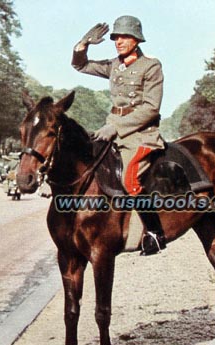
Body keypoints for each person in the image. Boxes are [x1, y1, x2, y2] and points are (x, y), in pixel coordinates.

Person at [72, 16, 166, 255]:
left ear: (136, 39)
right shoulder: (114, 65)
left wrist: (116, 127)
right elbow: (80, 66)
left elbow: (151, 108)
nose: (118, 41)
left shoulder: (151, 66)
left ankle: (155, 233)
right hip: (110, 127)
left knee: (129, 178)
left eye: (124, 37)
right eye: (115, 37)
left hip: (140, 134)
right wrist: (82, 45)